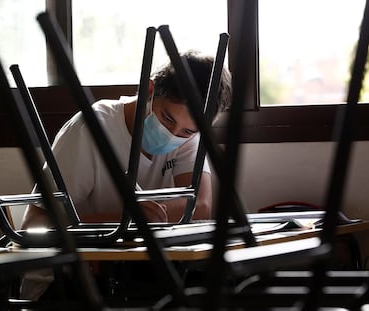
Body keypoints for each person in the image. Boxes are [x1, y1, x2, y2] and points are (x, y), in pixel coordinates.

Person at [19, 50, 232, 300]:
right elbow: (33, 226)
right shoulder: (92, 128)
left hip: (133, 272)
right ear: (149, 90)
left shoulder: (188, 136)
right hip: (65, 281)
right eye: (166, 118)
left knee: (218, 285)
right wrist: (122, 221)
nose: (173, 134)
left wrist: (150, 217)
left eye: (186, 132)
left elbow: (200, 207)